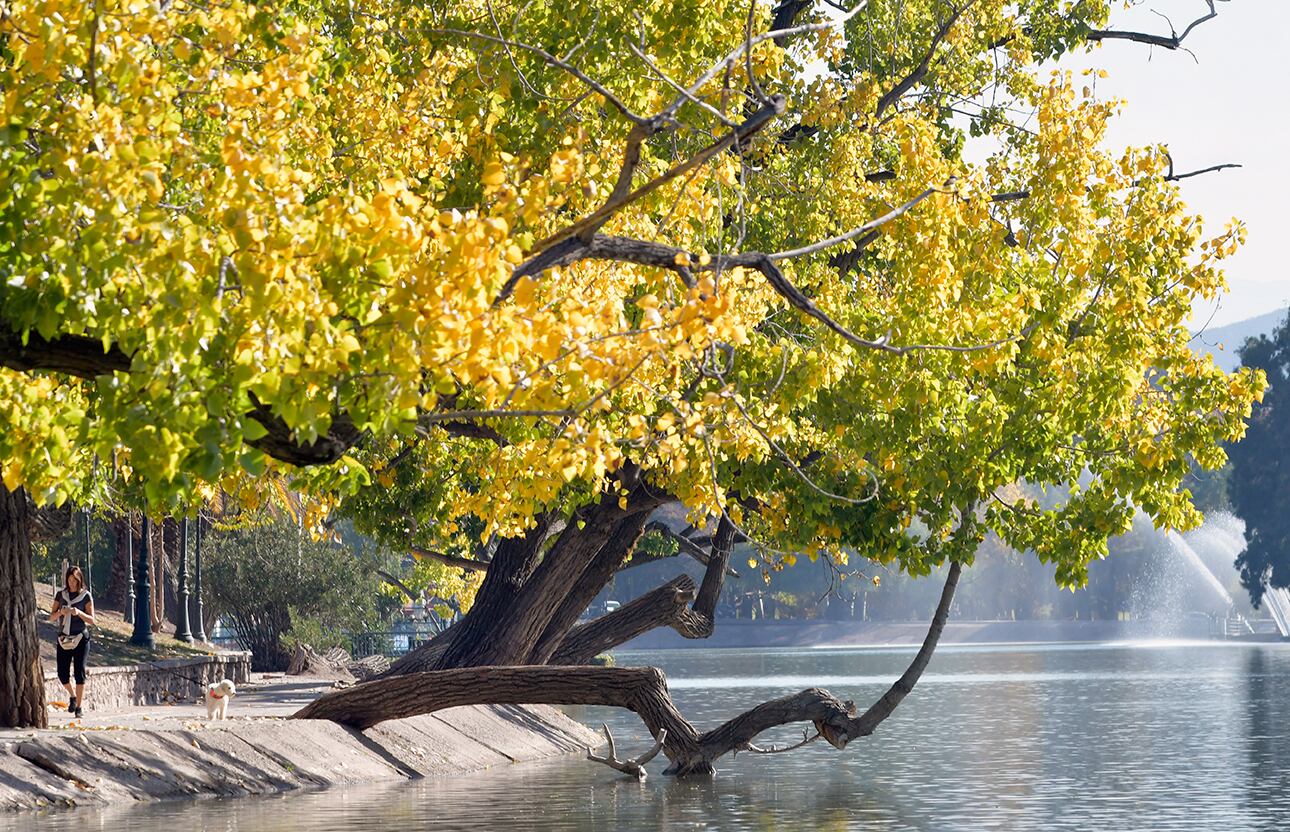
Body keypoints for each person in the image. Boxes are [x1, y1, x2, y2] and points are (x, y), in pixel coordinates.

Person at [49, 565, 95, 718]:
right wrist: (61, 612)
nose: (72, 583)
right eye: (70, 580)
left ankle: (79, 708)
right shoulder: (61, 595)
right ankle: (72, 696)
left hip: (80, 638)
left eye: (75, 580)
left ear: (80, 579)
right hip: (63, 638)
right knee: (62, 674)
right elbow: (51, 617)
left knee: (79, 673)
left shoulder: (86, 596)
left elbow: (92, 620)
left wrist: (79, 612)